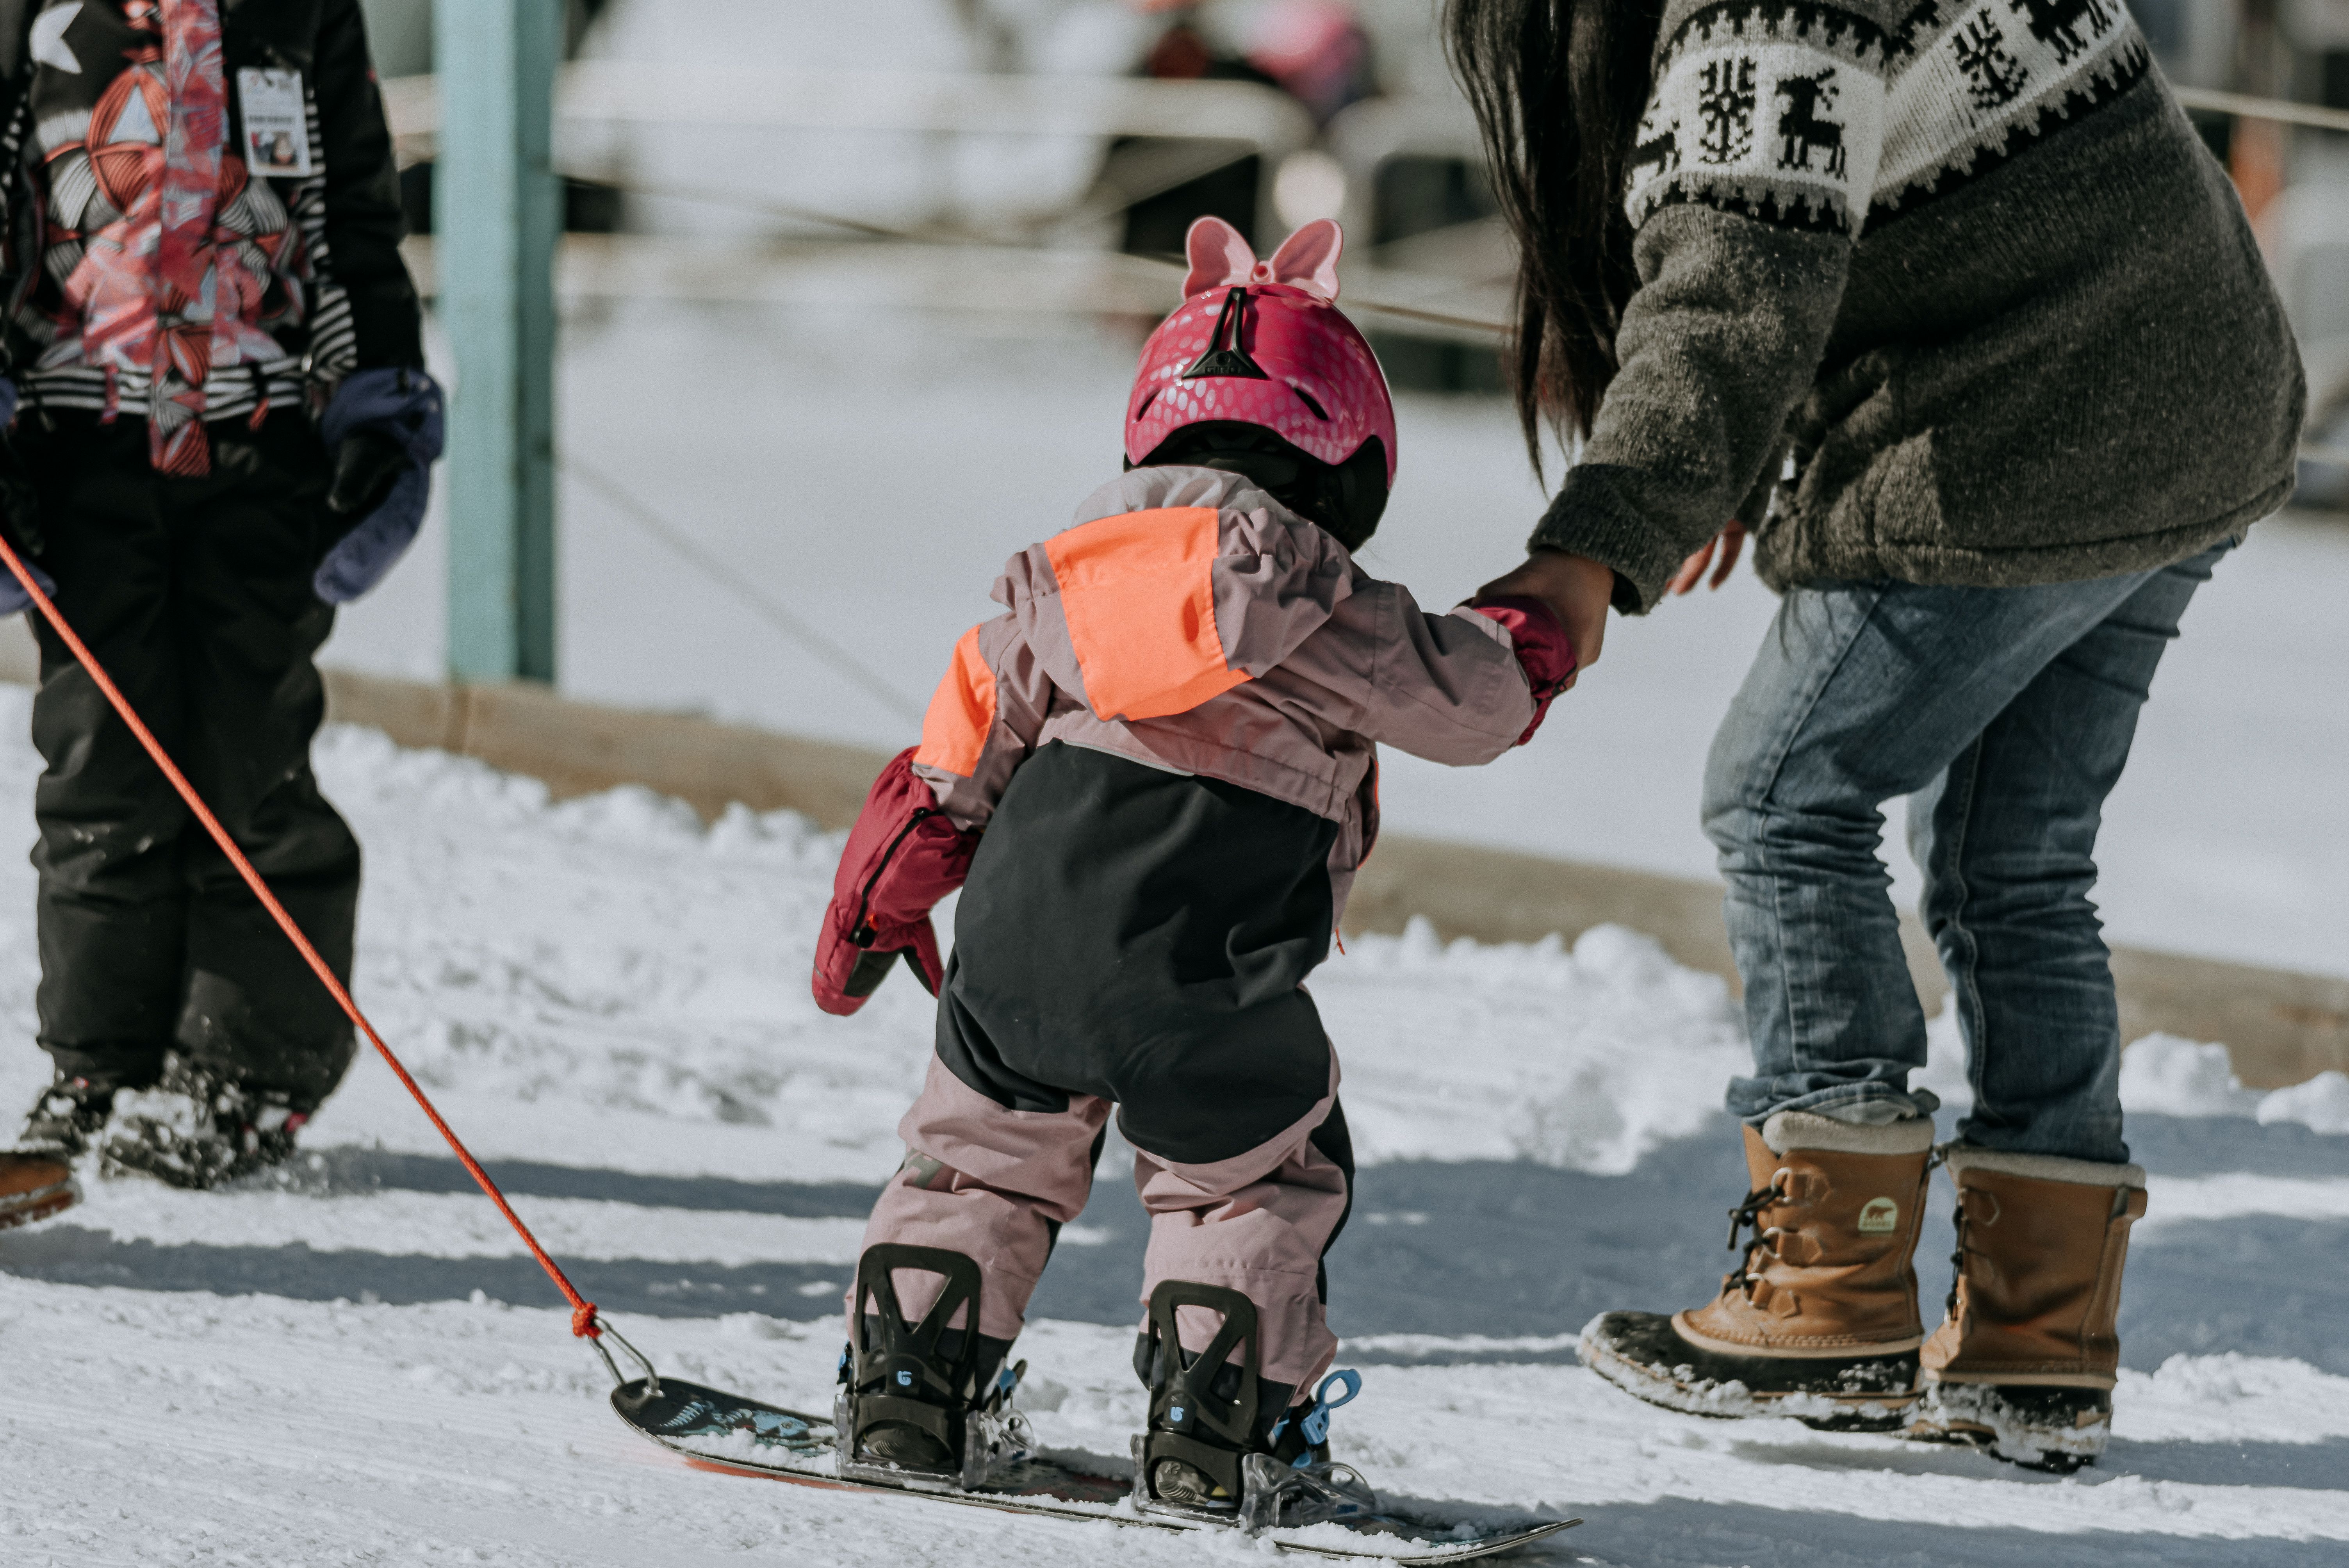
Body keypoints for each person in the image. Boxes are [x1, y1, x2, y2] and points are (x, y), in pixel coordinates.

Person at [1442, 0, 2303, 1470]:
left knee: (1783, 793)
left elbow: (1734, 293)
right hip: (2195, 395)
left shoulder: (1764, 20)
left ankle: (1827, 1291)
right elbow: (1860, 222)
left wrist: (1595, 545)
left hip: (2039, 426)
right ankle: (2042, 1344)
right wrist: (1715, 470)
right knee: (2016, 861)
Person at [807, 217, 1574, 1523]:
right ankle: (1220, 1427)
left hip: (1017, 959)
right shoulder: (1331, 608)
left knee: (981, 1160)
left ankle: (906, 1385)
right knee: (1255, 1178)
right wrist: (1542, 622)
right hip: (1202, 974)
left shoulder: (1048, 591)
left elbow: (943, 772)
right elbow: (1480, 706)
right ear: (1349, 455)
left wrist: (872, 910)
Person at [0, 0, 440, 1231]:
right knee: (101, 761)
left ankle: (248, 1068)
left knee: (246, 749)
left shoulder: (298, 15)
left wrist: (379, 401)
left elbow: (355, 207)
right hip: (78, 437)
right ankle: (100, 1064)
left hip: (264, 439)